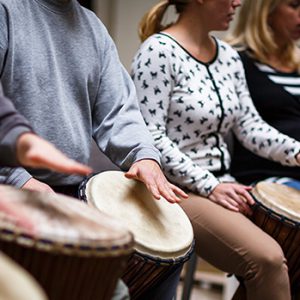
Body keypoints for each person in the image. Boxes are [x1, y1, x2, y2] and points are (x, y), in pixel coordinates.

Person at [0, 0, 188, 299]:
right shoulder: (7, 11)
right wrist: (18, 179)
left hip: (69, 191)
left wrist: (144, 154)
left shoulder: (92, 27)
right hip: (12, 189)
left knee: (166, 252)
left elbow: (118, 111)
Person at [131, 0, 300, 299]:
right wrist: (210, 186)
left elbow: (249, 127)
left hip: (223, 185)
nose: (238, 2)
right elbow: (150, 136)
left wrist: (296, 151)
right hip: (174, 190)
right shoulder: (158, 52)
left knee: (292, 249)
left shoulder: (229, 57)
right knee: (268, 260)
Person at [227, 0, 300, 190]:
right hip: (266, 177)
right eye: (294, 5)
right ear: (266, 10)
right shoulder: (232, 60)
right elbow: (247, 127)